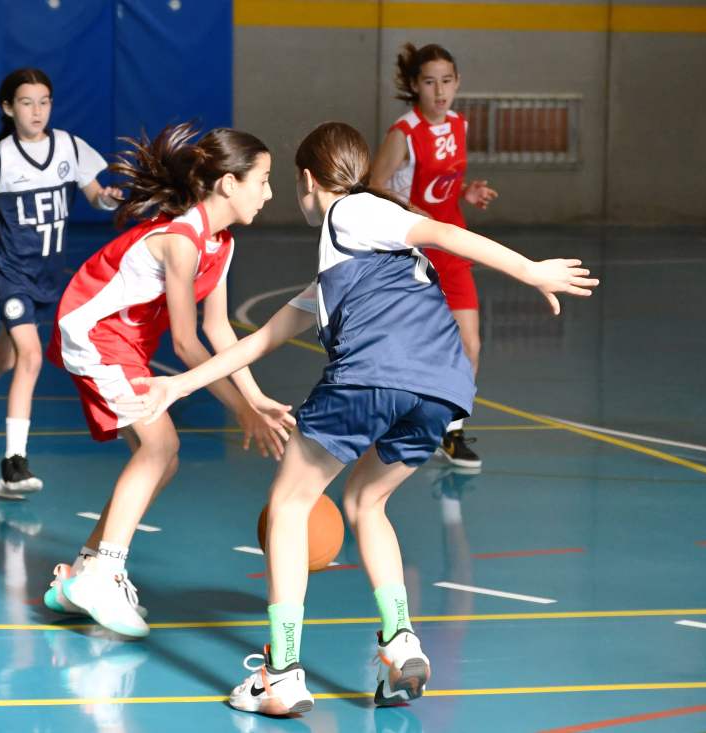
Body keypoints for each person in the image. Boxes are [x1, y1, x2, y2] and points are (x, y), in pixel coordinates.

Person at [119, 122, 596, 714]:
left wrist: (529, 270)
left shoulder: (353, 212)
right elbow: (261, 340)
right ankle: (400, 644)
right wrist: (178, 384)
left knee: (290, 503)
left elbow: (445, 231)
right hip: (444, 389)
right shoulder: (341, 266)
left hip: (375, 374)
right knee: (367, 503)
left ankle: (281, 673)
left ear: (308, 180)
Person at [43, 122, 295, 638]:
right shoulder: (180, 240)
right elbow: (185, 343)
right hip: (93, 334)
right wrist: (239, 408)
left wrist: (254, 398)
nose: (270, 194)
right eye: (264, 180)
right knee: (160, 445)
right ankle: (105, 575)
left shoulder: (221, 244)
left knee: (165, 457)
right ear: (229, 183)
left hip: (125, 344)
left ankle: (84, 572)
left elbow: (219, 329)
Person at [0, 68, 122, 493]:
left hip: (47, 273)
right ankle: (14, 463)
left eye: (44, 101)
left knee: (5, 359)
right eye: (27, 102)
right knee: (30, 356)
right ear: (9, 108)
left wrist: (108, 199)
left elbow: (95, 195)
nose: (37, 110)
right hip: (10, 270)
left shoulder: (68, 147)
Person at [370, 43, 496, 469]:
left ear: (457, 82)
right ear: (414, 85)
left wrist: (465, 192)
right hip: (412, 251)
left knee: (470, 344)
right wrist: (413, 209)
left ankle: (450, 431)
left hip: (452, 245)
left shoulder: (459, 124)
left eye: (446, 80)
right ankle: (395, 421)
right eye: (429, 82)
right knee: (410, 348)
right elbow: (373, 188)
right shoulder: (403, 133)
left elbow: (442, 184)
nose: (439, 91)